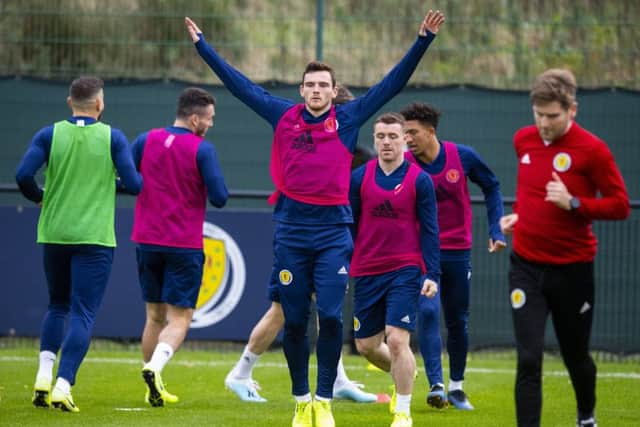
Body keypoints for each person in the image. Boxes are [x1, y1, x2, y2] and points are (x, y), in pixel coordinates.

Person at [186, 9, 445, 427]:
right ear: (302, 90)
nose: (317, 91)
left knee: (328, 316)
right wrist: (203, 48)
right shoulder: (282, 116)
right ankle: (301, 400)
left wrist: (423, 40)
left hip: (332, 235)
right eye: (310, 85)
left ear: (332, 90)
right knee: (293, 320)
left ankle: (323, 402)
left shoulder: (347, 118)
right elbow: (239, 85)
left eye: (324, 85)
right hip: (290, 233)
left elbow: (392, 83)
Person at [224, 84, 378, 404]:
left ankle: (336, 380)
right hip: (296, 236)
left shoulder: (353, 153)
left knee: (327, 310)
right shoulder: (300, 137)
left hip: (329, 238)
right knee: (282, 312)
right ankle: (240, 373)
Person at [499, 69, 629, 427]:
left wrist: (574, 204)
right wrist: (517, 217)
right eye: (538, 114)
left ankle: (586, 415)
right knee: (528, 358)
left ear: (573, 109)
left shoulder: (593, 150)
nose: (543, 123)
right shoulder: (522, 140)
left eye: (552, 116)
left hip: (573, 271)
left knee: (576, 356)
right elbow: (530, 193)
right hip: (524, 267)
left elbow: (619, 205)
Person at [15, 76, 142, 412]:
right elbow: (134, 183)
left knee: (57, 305)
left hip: (55, 234)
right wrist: (111, 178)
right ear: (100, 104)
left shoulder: (49, 134)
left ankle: (43, 376)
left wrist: (40, 197)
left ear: (69, 102)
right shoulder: (113, 137)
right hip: (95, 239)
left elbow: (22, 175)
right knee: (83, 313)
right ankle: (63, 384)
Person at [400, 102, 506, 410]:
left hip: (457, 252)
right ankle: (436, 385)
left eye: (412, 133)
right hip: (421, 254)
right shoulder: (405, 164)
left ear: (431, 132)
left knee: (457, 320)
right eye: (404, 133)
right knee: (429, 311)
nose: (407, 139)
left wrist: (496, 229)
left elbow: (493, 186)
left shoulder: (463, 157)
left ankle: (457, 387)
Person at [130, 87, 229, 407]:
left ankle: (150, 387)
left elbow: (127, 180)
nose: (211, 125)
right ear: (195, 118)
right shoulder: (202, 149)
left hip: (146, 239)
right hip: (183, 243)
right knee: (180, 319)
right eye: (210, 119)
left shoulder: (146, 140)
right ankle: (155, 369)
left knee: (153, 316)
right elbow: (219, 197)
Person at [349, 113, 440, 427]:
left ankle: (403, 411)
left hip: (405, 269)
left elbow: (430, 230)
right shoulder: (359, 178)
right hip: (366, 270)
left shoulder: (420, 180)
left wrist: (433, 274)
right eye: (381, 136)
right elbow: (350, 226)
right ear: (375, 140)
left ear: (405, 140)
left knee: (398, 340)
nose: (386, 142)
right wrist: (343, 263)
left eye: (393, 136)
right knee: (367, 346)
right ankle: (406, 372)